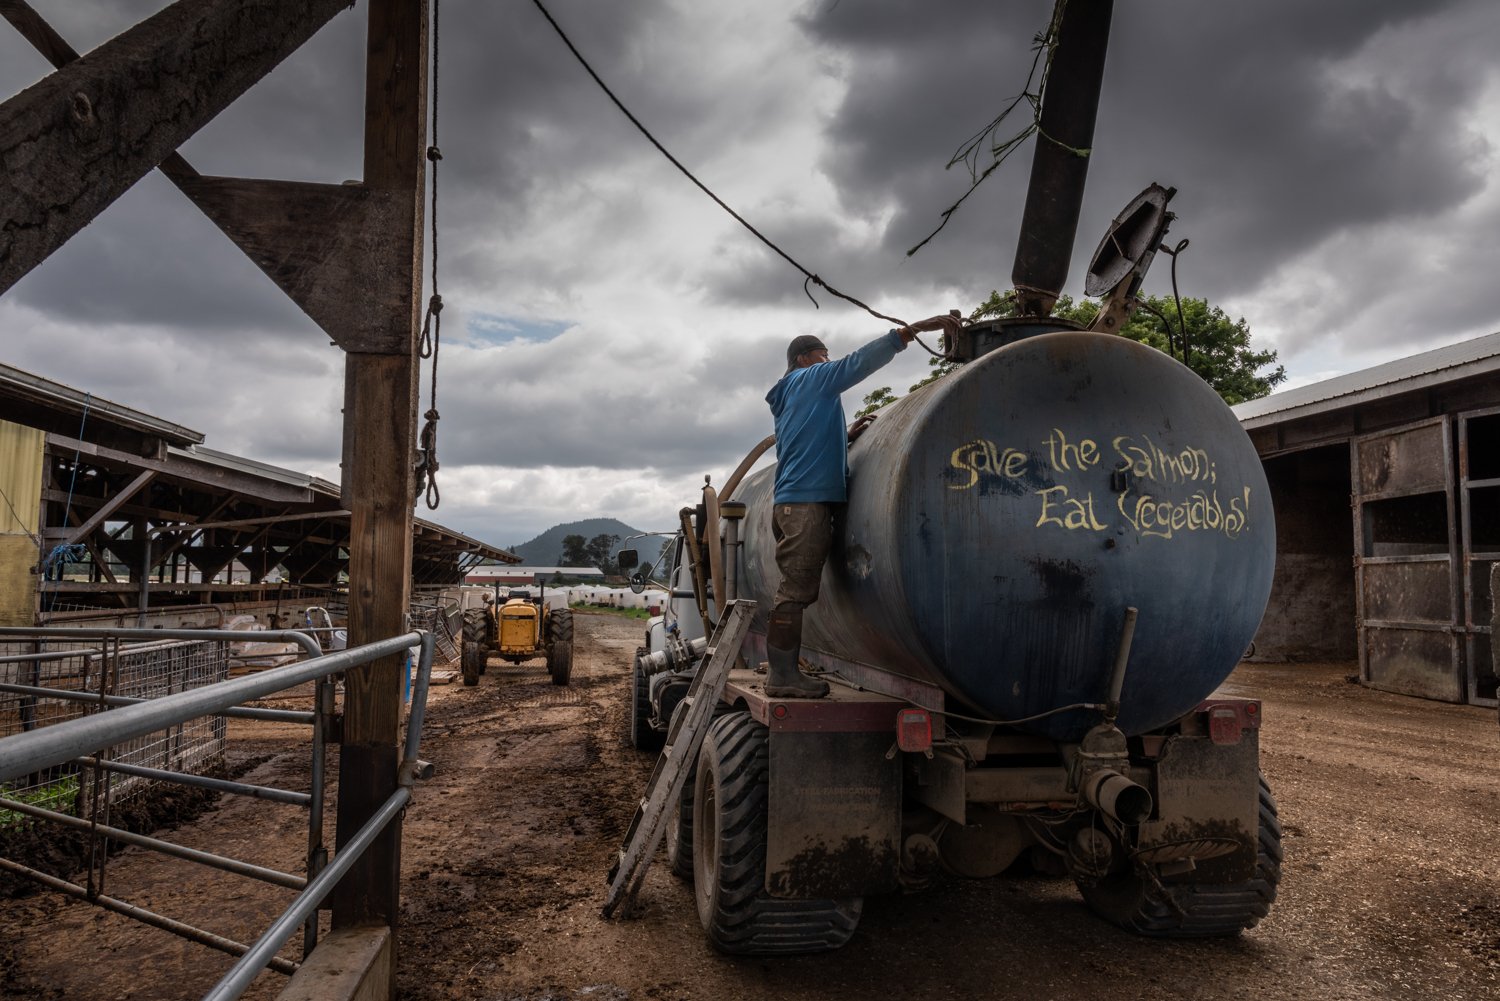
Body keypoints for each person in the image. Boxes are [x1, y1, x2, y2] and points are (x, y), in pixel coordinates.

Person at [762, 314, 964, 697]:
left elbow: (805, 443)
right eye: (823, 356)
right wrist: (911, 331)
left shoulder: (791, 394)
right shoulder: (810, 379)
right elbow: (857, 362)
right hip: (805, 504)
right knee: (795, 590)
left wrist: (845, 434)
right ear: (805, 359)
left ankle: (784, 672)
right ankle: (782, 676)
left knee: (800, 586)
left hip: (797, 500)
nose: (828, 362)